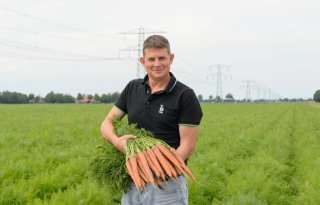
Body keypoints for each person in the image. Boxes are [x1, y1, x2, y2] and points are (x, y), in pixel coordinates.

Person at [100, 35, 203, 205]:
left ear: (171, 59)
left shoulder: (185, 95)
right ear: (143, 61)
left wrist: (159, 170)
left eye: (162, 58)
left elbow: (188, 145)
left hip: (168, 184)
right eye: (151, 59)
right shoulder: (132, 88)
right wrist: (117, 141)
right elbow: (106, 123)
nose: (157, 64)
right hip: (133, 179)